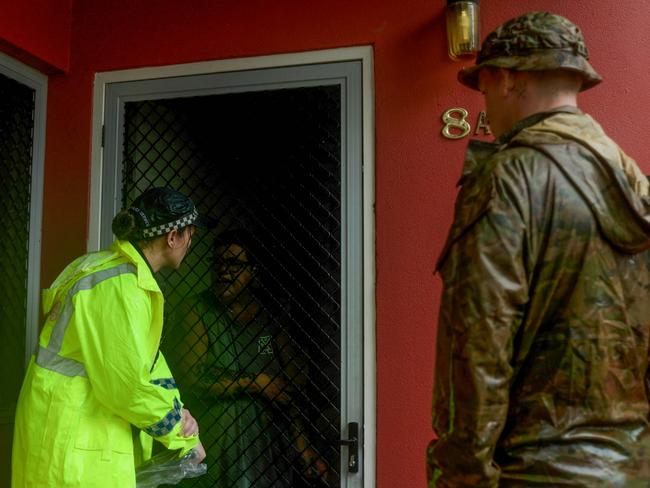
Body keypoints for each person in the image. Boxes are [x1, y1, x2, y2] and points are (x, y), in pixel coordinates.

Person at [427, 11, 650, 487]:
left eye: (483, 91)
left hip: (535, 473)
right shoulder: (636, 186)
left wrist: (461, 478)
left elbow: (476, 343)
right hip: (633, 470)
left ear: (504, 78)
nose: (486, 108)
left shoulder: (508, 176)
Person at [12, 187, 207, 488]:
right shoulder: (120, 287)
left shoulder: (108, 271)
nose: (190, 243)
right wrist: (180, 432)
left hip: (69, 430)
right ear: (173, 237)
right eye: (190, 234)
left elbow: (147, 362)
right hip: (75, 440)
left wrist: (178, 413)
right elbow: (126, 385)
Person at [166, 229, 328, 488]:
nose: (223, 271)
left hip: (263, 450)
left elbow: (284, 383)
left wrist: (303, 446)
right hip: (216, 444)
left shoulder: (265, 322)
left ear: (252, 271)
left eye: (233, 263)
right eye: (217, 263)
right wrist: (254, 383)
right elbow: (191, 379)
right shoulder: (197, 311)